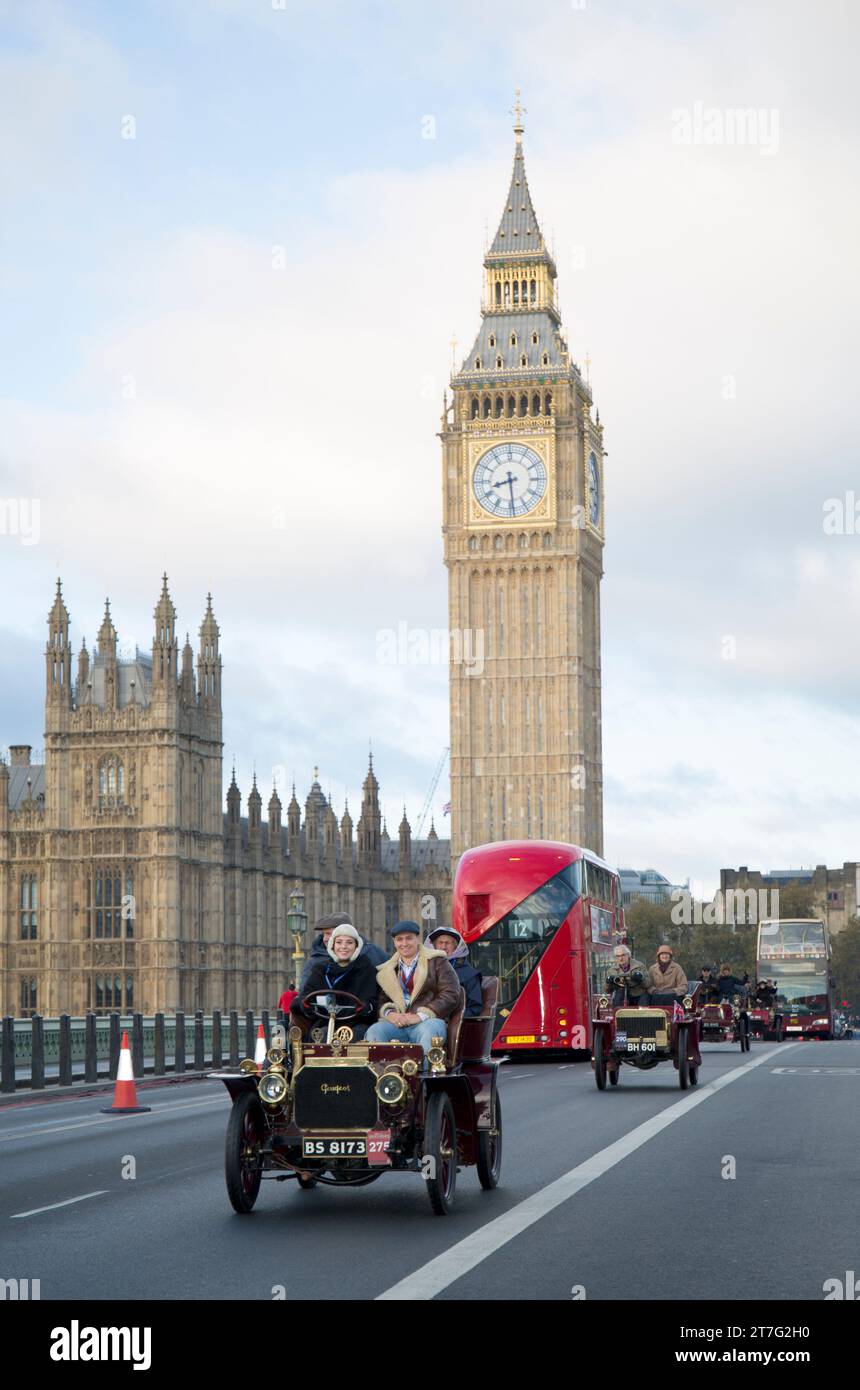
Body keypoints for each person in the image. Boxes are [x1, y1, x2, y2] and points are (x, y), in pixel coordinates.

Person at [366, 921, 460, 1058]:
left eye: (409, 938)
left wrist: (420, 1016)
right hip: (399, 1024)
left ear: (418, 939)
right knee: (375, 1030)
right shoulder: (387, 970)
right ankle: (383, 1076)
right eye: (399, 939)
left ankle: (423, 1076)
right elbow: (382, 1001)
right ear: (394, 942)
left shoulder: (437, 961)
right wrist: (390, 1013)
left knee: (430, 1030)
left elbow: (451, 993)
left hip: (428, 1021)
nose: (404, 944)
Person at [290, 922, 379, 1039]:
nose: (343, 947)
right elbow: (306, 996)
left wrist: (366, 1007)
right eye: (339, 942)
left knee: (355, 1037)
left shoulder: (366, 969)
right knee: (320, 1036)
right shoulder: (320, 970)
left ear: (357, 946)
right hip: (324, 1022)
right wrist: (304, 1004)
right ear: (332, 945)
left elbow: (372, 1002)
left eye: (349, 942)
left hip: (356, 1023)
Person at [298, 912, 387, 993]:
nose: (326, 938)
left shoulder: (369, 952)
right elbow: (305, 992)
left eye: (330, 934)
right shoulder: (315, 962)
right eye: (325, 934)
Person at [426, 925, 483, 1017]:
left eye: (448, 943)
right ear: (434, 946)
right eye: (440, 943)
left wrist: (454, 1018)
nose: (443, 947)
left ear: (456, 947)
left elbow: (474, 1008)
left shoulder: (469, 974)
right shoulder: (424, 969)